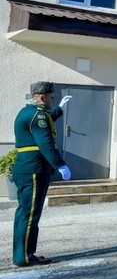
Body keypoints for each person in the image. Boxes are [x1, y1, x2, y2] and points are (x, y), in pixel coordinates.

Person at [12, 81, 72, 267]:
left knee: (26, 213)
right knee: (30, 214)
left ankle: (23, 253)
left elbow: (43, 123)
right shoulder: (38, 115)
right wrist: (60, 164)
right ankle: (24, 257)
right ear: (41, 97)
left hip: (28, 168)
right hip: (34, 169)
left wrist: (58, 110)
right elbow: (45, 141)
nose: (53, 101)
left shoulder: (29, 112)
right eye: (52, 98)